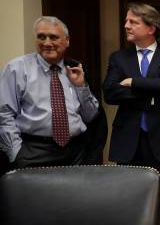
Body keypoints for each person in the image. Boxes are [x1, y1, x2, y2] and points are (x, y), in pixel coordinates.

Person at [103, 3, 160, 225]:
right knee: (131, 204)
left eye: (132, 22)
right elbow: (110, 93)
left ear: (151, 28)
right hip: (128, 143)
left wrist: (133, 83)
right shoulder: (118, 58)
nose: (126, 26)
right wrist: (154, 87)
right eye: (126, 21)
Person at [0, 16, 99, 171]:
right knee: (35, 196)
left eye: (53, 37)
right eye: (41, 37)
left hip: (76, 152)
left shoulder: (74, 69)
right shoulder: (17, 69)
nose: (47, 43)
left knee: (73, 195)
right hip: (34, 152)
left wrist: (81, 86)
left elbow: (90, 116)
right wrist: (16, 153)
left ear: (67, 41)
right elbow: (4, 114)